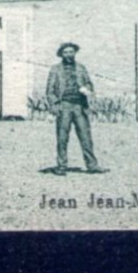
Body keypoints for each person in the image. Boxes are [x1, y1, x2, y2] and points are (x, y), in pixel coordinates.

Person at [45, 41, 104, 175]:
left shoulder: (81, 68)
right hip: (64, 106)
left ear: (75, 53)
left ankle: (92, 165)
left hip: (80, 106)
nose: (69, 54)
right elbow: (49, 91)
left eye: (71, 52)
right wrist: (54, 105)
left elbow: (89, 84)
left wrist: (87, 89)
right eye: (66, 52)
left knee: (86, 137)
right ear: (61, 54)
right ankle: (61, 166)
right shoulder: (55, 69)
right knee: (62, 137)